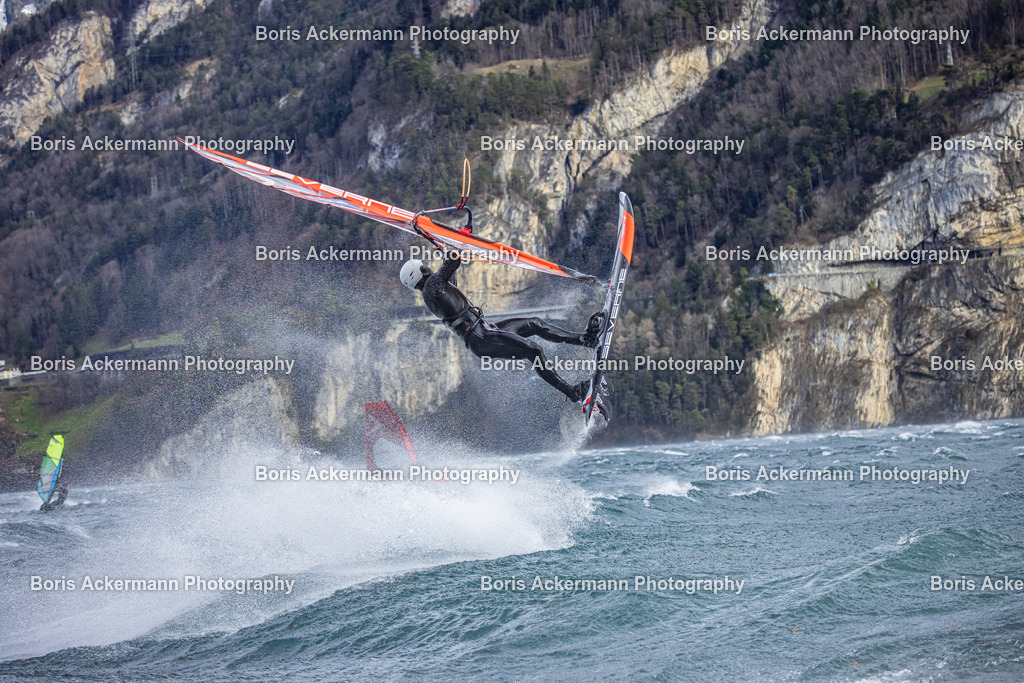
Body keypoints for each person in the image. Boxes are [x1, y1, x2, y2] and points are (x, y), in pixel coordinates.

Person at [400, 254, 609, 418]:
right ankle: (574, 393)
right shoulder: (431, 286)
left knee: (534, 324)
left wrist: (446, 250)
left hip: (486, 330)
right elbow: (454, 260)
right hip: (481, 338)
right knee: (533, 350)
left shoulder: (433, 290)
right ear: (420, 270)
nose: (426, 266)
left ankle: (585, 340)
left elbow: (452, 272)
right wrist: (449, 248)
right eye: (423, 265)